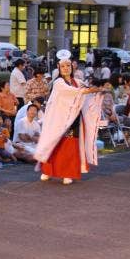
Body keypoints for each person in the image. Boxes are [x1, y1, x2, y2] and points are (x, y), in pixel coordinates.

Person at [35, 50, 103, 185]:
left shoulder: (78, 82)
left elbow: (86, 92)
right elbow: (70, 92)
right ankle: (47, 170)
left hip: (74, 120)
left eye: (68, 66)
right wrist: (87, 91)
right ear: (59, 69)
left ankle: (67, 173)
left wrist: (96, 92)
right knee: (54, 144)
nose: (66, 68)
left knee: (69, 146)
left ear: (72, 67)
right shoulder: (59, 82)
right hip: (59, 120)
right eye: (63, 66)